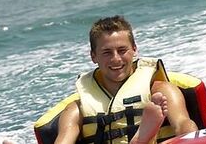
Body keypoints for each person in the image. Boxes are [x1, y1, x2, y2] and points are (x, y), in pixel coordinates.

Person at [55, 16, 197, 144]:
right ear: (93, 56)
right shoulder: (76, 109)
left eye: (122, 50)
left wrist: (193, 139)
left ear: (134, 50)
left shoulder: (161, 91)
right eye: (107, 52)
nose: (116, 59)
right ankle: (141, 140)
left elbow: (183, 124)